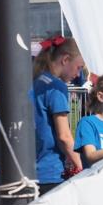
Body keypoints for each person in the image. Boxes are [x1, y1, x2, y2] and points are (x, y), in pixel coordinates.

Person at [32, 36, 84, 195]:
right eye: (78, 67)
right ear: (65, 59)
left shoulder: (36, 81)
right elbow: (64, 136)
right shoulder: (56, 87)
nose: (78, 74)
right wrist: (80, 167)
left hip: (30, 167)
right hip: (50, 170)